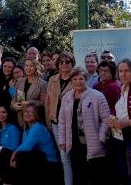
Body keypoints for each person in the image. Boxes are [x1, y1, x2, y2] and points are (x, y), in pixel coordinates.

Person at [58, 67, 110, 185]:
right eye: (74, 79)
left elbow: (106, 119)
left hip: (93, 144)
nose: (78, 81)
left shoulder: (97, 96)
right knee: (78, 176)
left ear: (86, 79)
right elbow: (61, 121)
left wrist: (101, 137)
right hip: (73, 144)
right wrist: (62, 140)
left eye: (81, 78)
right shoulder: (66, 97)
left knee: (94, 177)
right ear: (71, 81)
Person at [10, 102, 61, 185]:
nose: (27, 113)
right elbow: (24, 146)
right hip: (40, 161)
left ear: (37, 115)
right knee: (18, 155)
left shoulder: (38, 127)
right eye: (26, 111)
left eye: (31, 112)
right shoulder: (26, 129)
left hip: (50, 163)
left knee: (21, 155)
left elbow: (27, 146)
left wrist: (14, 154)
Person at [45, 51, 75, 185]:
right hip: (56, 123)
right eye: (61, 62)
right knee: (64, 156)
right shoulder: (52, 79)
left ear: (72, 63)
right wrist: (48, 122)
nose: (64, 64)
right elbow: (47, 102)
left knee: (72, 155)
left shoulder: (77, 78)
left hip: (73, 123)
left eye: (67, 62)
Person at [109, 59, 131, 185]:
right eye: (120, 71)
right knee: (124, 169)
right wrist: (113, 120)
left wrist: (129, 122)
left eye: (127, 71)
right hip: (120, 134)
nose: (123, 74)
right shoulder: (123, 87)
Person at [11, 59, 47, 127]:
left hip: (34, 119)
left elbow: (43, 103)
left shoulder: (42, 83)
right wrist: (13, 105)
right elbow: (14, 99)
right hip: (20, 119)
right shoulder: (20, 81)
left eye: (31, 66)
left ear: (36, 67)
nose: (28, 68)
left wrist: (29, 102)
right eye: (26, 65)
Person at [0, 105, 20, 185]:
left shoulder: (13, 128)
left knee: (4, 152)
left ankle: (8, 180)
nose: (1, 114)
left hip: (13, 156)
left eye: (3, 112)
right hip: (2, 155)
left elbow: (14, 148)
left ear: (8, 114)